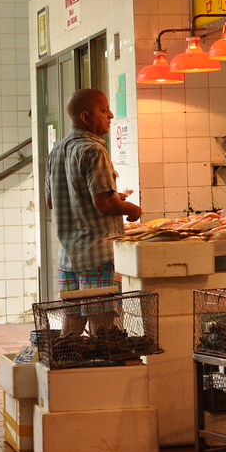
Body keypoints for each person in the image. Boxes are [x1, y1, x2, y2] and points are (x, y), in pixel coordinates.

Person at [45, 88, 142, 337]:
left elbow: (52, 201)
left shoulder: (57, 151)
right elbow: (104, 204)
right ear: (86, 117)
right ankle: (104, 371)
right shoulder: (94, 150)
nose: (110, 115)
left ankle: (66, 368)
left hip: (68, 255)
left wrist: (113, 197)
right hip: (97, 253)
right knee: (103, 328)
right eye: (103, 110)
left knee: (72, 327)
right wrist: (131, 209)